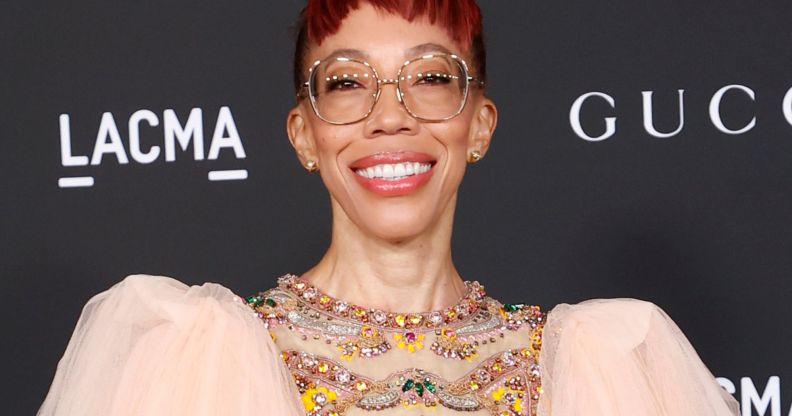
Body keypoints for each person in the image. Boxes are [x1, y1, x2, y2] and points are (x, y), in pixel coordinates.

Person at [38, 1, 740, 415]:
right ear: (305, 134)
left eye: (430, 78)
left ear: (482, 123)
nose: (390, 117)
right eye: (347, 85)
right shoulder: (194, 361)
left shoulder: (604, 368)